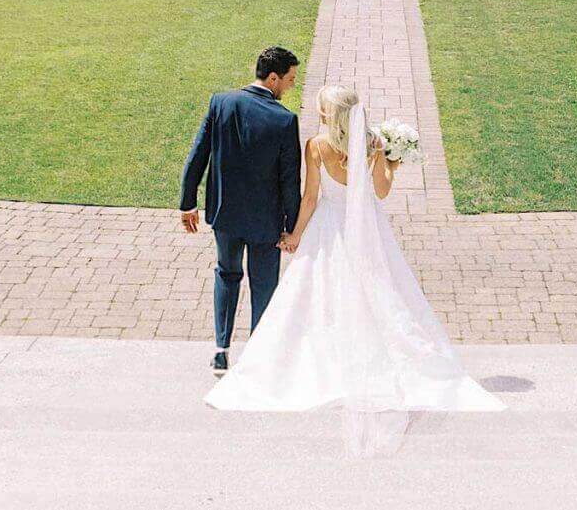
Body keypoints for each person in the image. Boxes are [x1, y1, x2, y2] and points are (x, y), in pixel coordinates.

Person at [205, 83, 501, 453]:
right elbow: (380, 192)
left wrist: (295, 234)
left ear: (329, 114)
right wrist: (390, 165)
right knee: (380, 289)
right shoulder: (373, 143)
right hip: (367, 228)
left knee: (319, 295)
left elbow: (311, 197)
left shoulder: (317, 145)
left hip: (329, 229)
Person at [180, 46, 302, 377]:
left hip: (226, 215)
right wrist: (293, 227)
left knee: (226, 273)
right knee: (264, 284)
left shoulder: (221, 103)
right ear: (273, 77)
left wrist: (187, 202)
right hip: (266, 220)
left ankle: (221, 350)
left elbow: (197, 155)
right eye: (289, 80)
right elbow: (290, 181)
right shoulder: (285, 120)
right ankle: (257, 355)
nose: (291, 86)